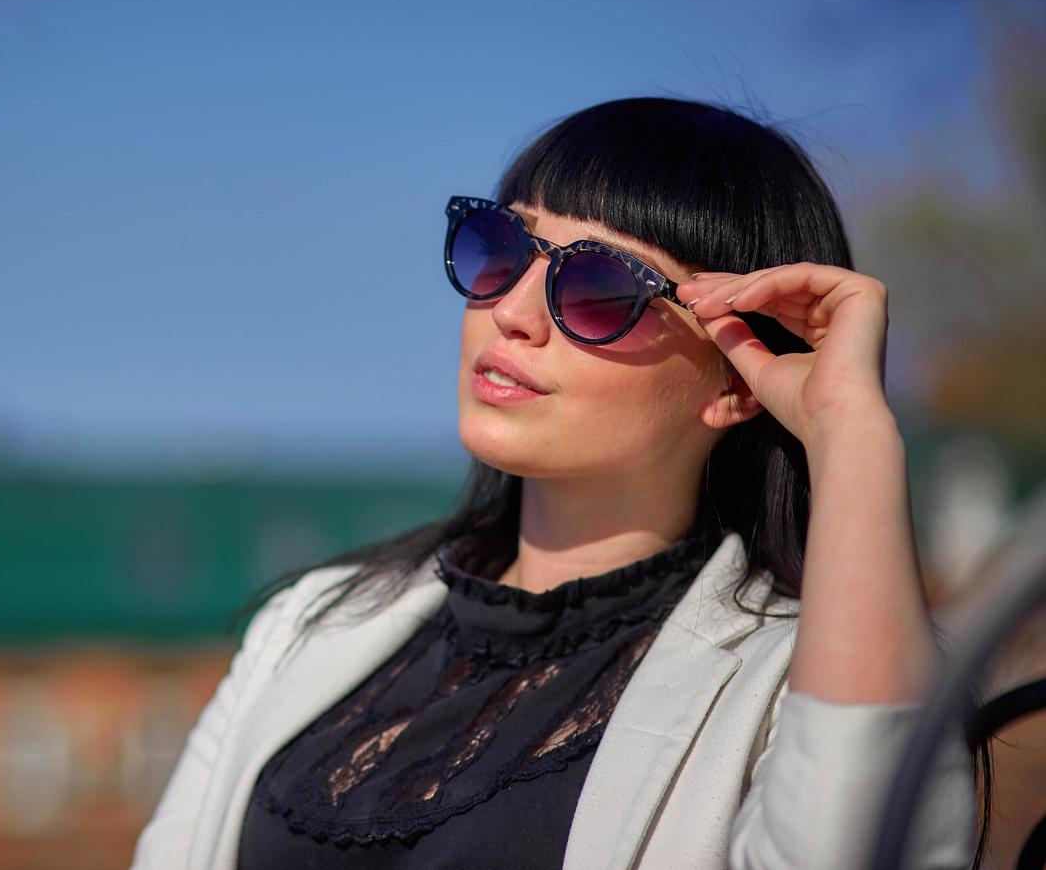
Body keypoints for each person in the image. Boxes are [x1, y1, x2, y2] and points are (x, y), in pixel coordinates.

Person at [130, 96, 994, 869]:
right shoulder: (309, 627)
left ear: (737, 381)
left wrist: (851, 434)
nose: (511, 310)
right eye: (500, 246)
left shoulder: (785, 685)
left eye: (595, 284)